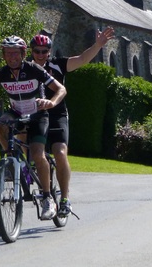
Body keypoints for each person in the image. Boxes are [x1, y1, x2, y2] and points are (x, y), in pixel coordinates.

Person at [0, 35, 66, 221]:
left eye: (15, 53)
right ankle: (9, 160)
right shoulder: (0, 74)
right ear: (4, 55)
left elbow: (61, 89)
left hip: (38, 114)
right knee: (0, 123)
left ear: (23, 54)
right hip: (16, 112)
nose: (12, 57)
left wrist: (51, 103)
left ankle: (47, 198)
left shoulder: (34, 69)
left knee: (38, 154)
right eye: (8, 53)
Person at [29, 26, 115, 217]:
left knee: (59, 152)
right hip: (34, 115)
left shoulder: (58, 65)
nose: (41, 55)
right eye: (37, 51)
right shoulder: (26, 68)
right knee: (23, 141)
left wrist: (98, 45)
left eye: (44, 52)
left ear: (49, 52)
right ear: (31, 52)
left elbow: (82, 59)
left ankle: (65, 199)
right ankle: (22, 173)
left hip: (57, 114)